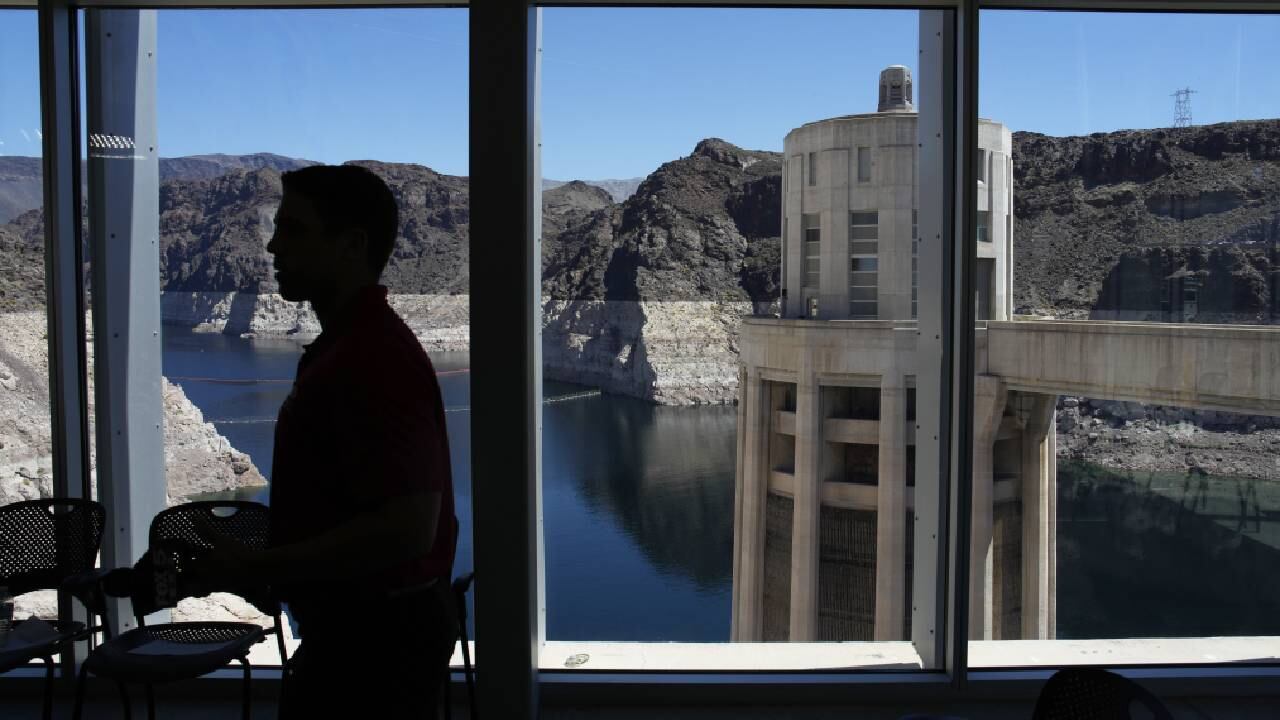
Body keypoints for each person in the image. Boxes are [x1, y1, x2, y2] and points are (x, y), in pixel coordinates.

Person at [196, 164, 459, 718]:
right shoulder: (349, 346)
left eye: (293, 229)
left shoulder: (373, 358)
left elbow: (410, 529)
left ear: (352, 245)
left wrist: (263, 566)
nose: (273, 246)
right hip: (363, 633)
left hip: (375, 648)